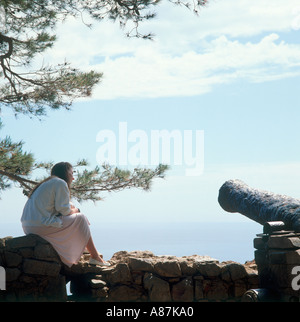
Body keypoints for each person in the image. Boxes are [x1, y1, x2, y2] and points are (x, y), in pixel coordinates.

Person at [21, 161, 110, 267]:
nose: (73, 178)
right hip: (40, 226)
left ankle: (86, 248)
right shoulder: (60, 183)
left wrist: (72, 208)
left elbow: (61, 207)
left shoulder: (47, 183)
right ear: (65, 173)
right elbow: (64, 211)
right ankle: (95, 257)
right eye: (72, 174)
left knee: (78, 217)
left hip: (29, 227)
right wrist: (76, 210)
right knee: (81, 218)